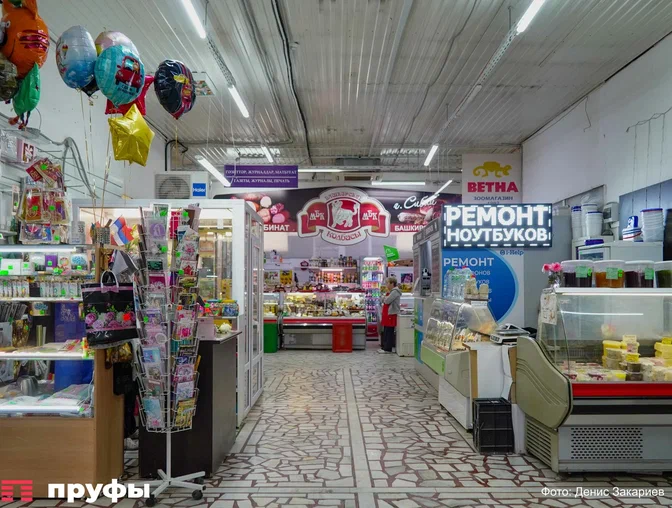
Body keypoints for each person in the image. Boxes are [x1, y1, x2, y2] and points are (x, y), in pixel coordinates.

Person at [379, 276, 402, 354]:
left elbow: (387, 301)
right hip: (387, 314)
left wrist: (385, 298)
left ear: (392, 283)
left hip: (391, 314)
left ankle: (387, 348)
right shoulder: (391, 291)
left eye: (387, 283)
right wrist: (384, 298)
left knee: (389, 331)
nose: (386, 284)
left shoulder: (395, 292)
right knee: (386, 330)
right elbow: (382, 299)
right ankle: (385, 347)